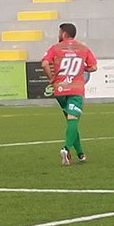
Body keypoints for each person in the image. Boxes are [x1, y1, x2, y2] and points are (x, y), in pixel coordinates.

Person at [40, 23, 98, 166]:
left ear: (64, 34)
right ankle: (65, 148)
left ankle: (80, 153)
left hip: (60, 89)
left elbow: (45, 64)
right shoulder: (83, 49)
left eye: (60, 32)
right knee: (73, 120)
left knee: (71, 120)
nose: (59, 35)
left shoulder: (55, 48)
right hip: (75, 89)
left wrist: (51, 78)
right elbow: (94, 67)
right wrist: (83, 67)